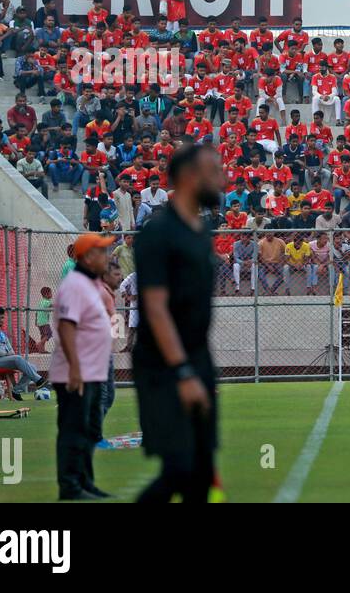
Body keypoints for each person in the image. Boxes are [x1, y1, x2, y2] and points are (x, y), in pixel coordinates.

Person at [133, 144, 223, 503]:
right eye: (214, 172)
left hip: (198, 358)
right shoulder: (159, 233)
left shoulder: (200, 230)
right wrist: (183, 372)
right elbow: (155, 309)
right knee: (179, 469)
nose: (222, 179)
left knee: (201, 473)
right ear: (189, 177)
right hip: (164, 366)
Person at [52, 233, 116, 500]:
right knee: (73, 429)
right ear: (88, 257)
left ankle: (85, 482)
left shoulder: (88, 284)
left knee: (88, 429)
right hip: (76, 373)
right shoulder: (75, 285)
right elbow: (67, 325)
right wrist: (75, 369)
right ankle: (70, 487)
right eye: (102, 252)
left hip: (91, 372)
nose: (108, 257)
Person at [0, 306, 45, 400]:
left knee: (33, 367)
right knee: (18, 358)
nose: (0, 320)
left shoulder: (1, 332)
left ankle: (16, 391)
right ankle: (38, 380)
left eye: (2, 317)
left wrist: (11, 354)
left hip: (5, 360)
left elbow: (10, 348)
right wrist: (9, 355)